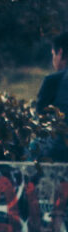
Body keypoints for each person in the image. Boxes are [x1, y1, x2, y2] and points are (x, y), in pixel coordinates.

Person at [30, 33, 68, 162]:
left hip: (59, 151)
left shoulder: (54, 80)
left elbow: (40, 117)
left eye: (53, 55)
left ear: (60, 52)